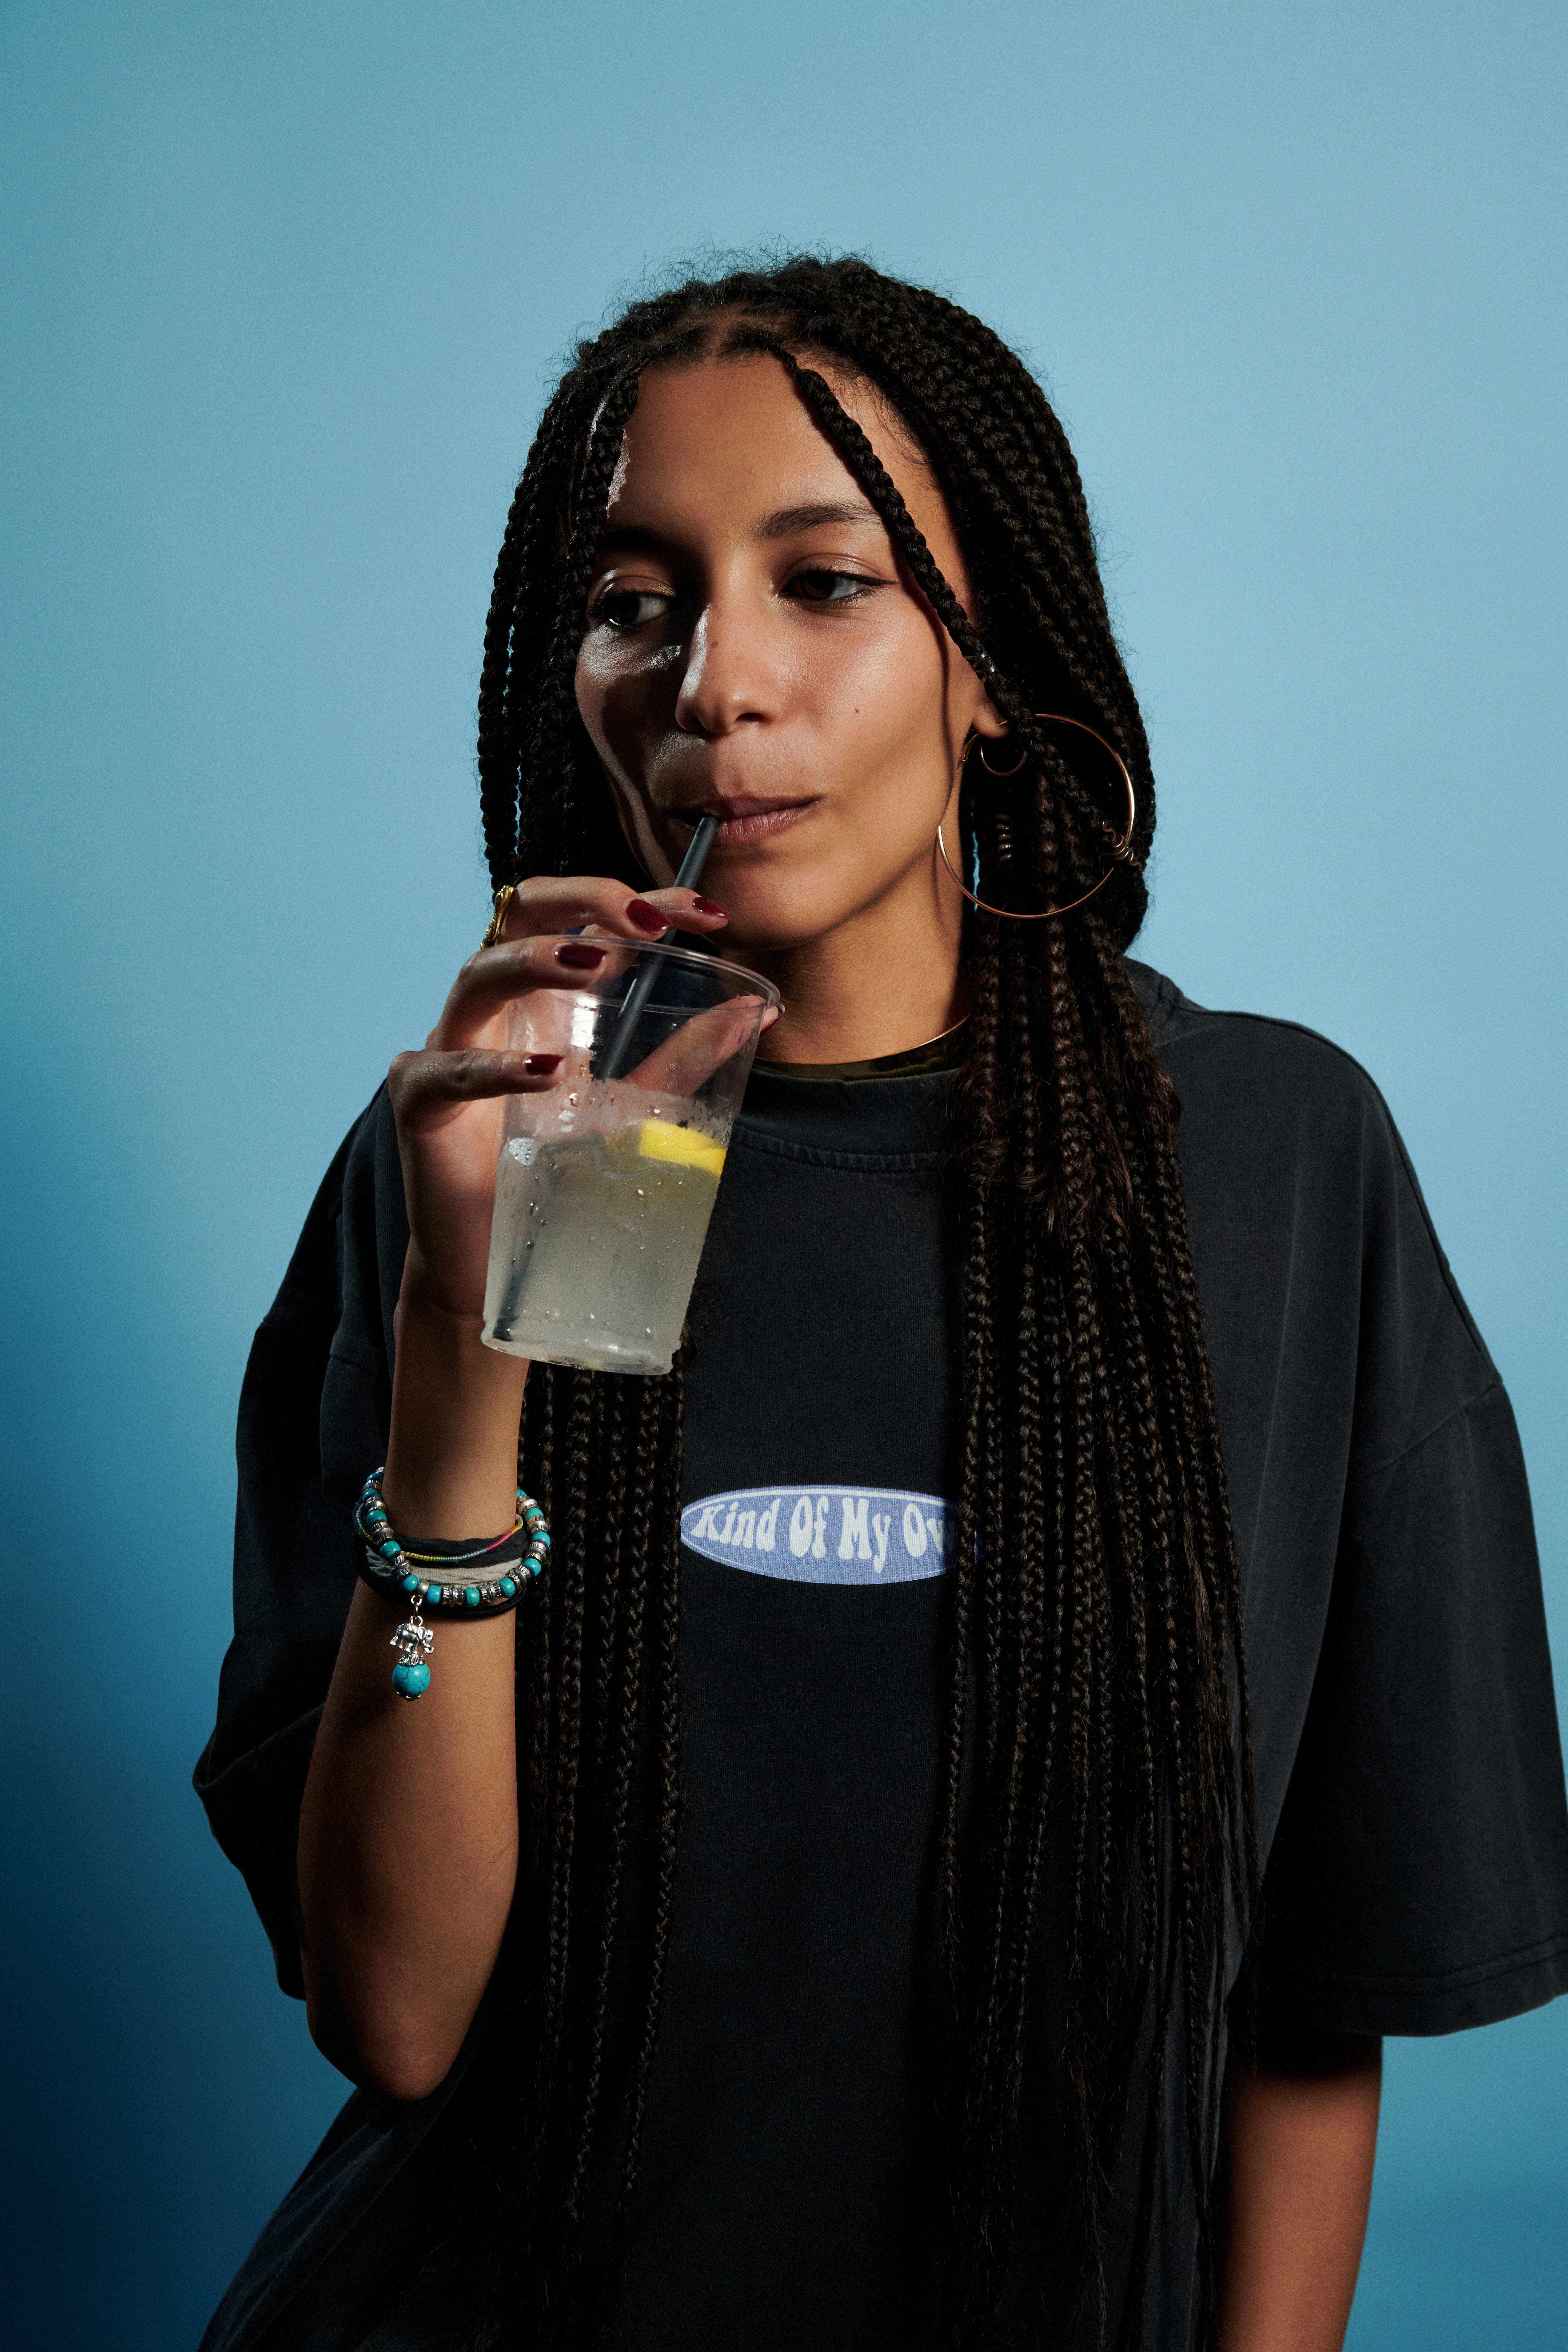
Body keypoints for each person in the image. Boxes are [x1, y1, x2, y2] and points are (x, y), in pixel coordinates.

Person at [195, 255, 1568, 2352]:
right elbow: (395, 2016)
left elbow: (1315, 1997)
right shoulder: (511, 1164)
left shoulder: (1269, 1163)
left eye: (821, 583)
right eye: (639, 597)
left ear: (993, 658)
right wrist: (462, 1370)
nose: (710, 681)